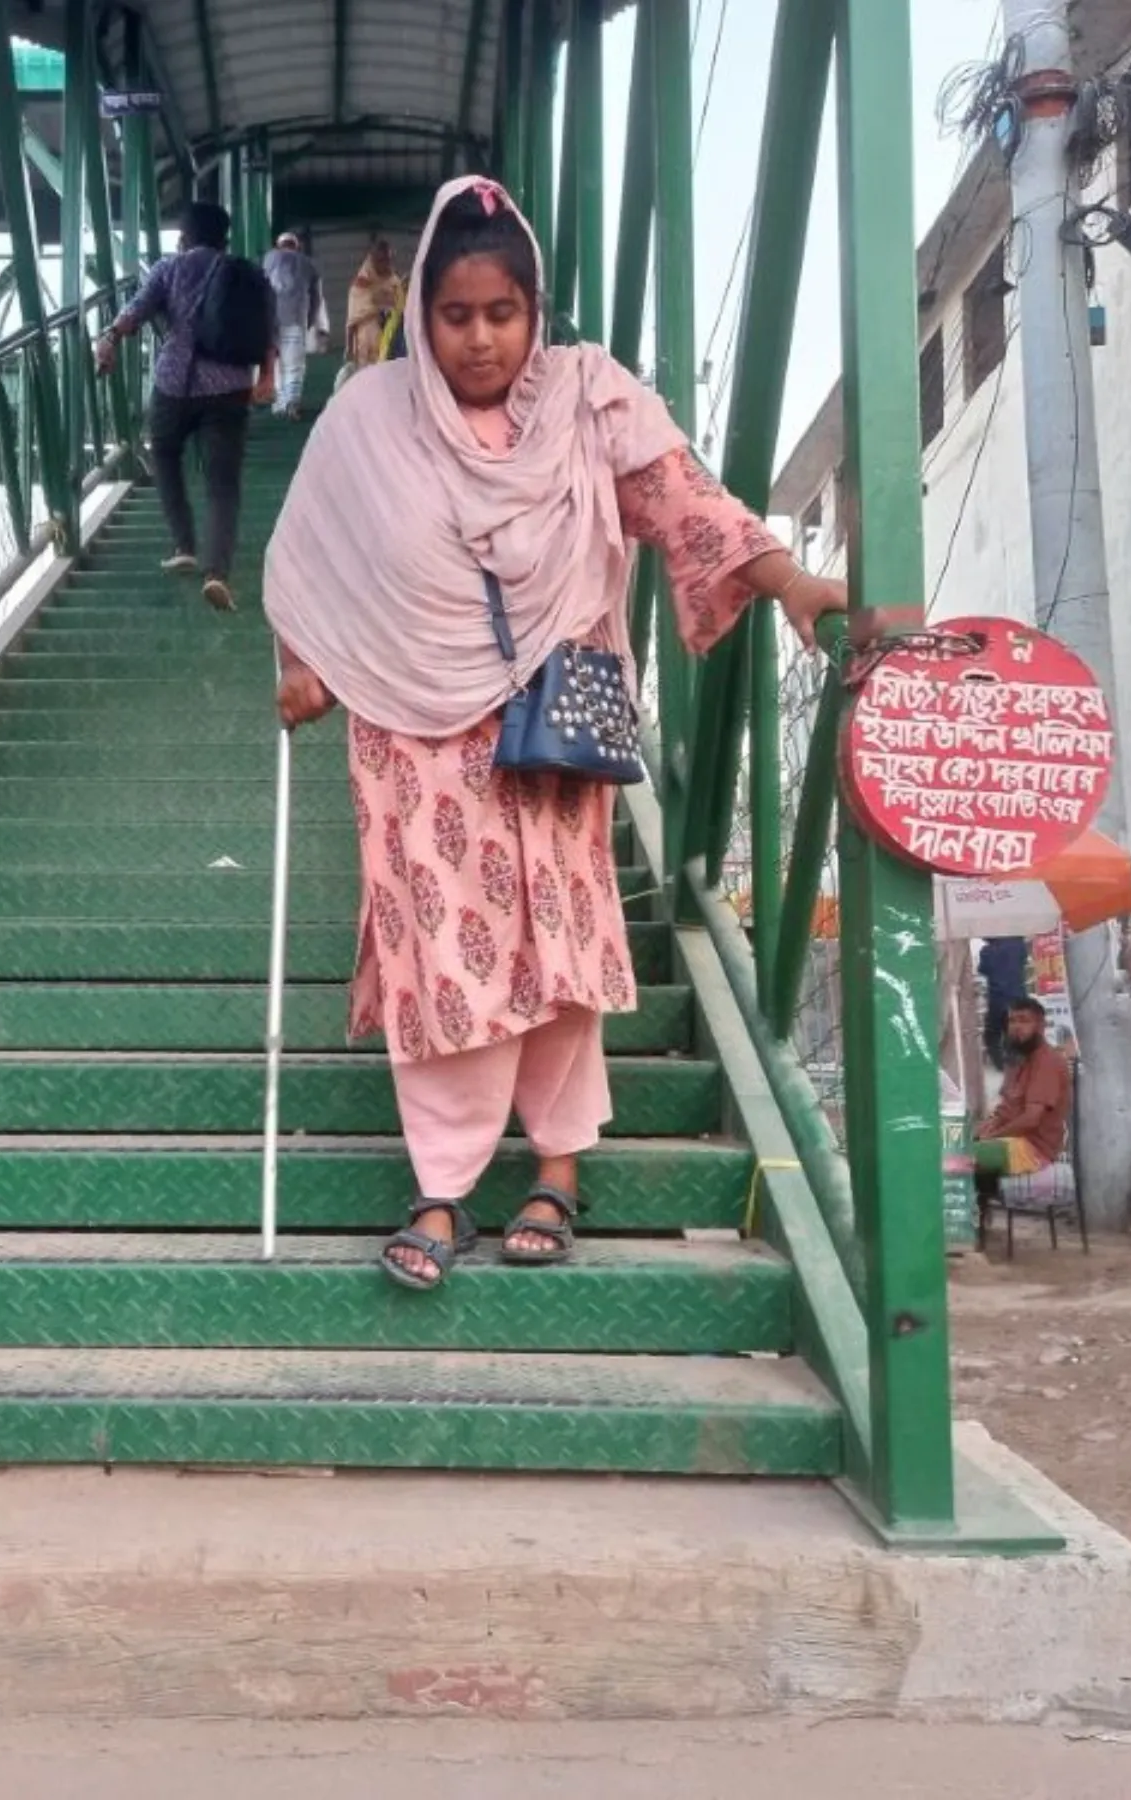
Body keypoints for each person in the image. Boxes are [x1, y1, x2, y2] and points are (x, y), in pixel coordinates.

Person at [263, 177, 848, 1291]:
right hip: (411, 733)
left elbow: (685, 502)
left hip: (553, 720)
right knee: (446, 956)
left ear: (537, 311)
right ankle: (442, 1187)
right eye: (454, 315)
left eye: (504, 313)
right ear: (417, 316)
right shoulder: (363, 420)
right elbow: (310, 564)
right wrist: (307, 668)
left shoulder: (591, 400)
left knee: (555, 945)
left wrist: (789, 581)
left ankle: (561, 1171)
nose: (481, 340)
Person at [94, 201, 264, 612]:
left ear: (183, 238)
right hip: (231, 387)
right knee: (224, 484)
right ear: (225, 238)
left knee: (165, 453)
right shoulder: (245, 273)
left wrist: (110, 339)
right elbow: (267, 328)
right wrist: (268, 377)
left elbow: (135, 313)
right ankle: (217, 573)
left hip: (175, 384)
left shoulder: (169, 269)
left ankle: (184, 543)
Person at [962, 997, 1074, 1214]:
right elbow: (1005, 1110)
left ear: (1040, 1026)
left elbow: (1031, 1119)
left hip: (1032, 1149)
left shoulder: (1047, 1061)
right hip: (1013, 1141)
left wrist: (991, 1136)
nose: (1016, 1027)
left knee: (957, 1159)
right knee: (952, 1146)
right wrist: (983, 1128)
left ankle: (965, 1227)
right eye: (1012, 1021)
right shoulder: (1021, 1059)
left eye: (1024, 1021)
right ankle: (973, 1223)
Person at [262, 230, 326, 421]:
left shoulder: (268, 259)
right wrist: (311, 320)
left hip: (271, 322)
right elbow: (316, 298)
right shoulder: (308, 264)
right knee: (294, 365)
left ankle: (280, 402)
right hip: (296, 321)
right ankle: (291, 402)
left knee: (276, 364)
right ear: (296, 245)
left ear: (278, 245)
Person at [344, 236, 405, 373]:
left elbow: (400, 307)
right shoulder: (361, 282)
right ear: (373, 260)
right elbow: (353, 318)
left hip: (391, 341)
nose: (386, 264)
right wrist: (348, 346)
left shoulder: (394, 281)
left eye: (388, 260)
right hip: (366, 342)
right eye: (381, 260)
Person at [978, 935, 1028, 1071]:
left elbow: (982, 969)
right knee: (1014, 1034)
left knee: (991, 1035)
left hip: (998, 1000)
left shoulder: (986, 951)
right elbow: (1023, 961)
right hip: (1019, 998)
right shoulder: (1019, 944)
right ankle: (1016, 1065)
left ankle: (1001, 1066)